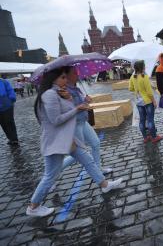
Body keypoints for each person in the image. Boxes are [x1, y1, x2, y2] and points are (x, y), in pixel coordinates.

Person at [27, 67, 122, 217]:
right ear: (54, 78)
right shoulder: (50, 94)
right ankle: (33, 207)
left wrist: (71, 101)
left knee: (88, 160)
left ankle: (105, 185)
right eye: (63, 77)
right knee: (50, 176)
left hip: (67, 138)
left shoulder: (58, 93)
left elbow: (64, 112)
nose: (66, 80)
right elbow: (55, 120)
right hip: (56, 141)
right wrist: (76, 108)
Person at [60, 67, 112, 175]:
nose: (77, 75)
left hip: (83, 121)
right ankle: (54, 172)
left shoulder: (76, 88)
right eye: (74, 73)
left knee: (96, 143)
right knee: (78, 153)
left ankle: (98, 169)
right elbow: (67, 109)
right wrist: (80, 105)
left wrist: (86, 100)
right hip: (75, 124)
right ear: (68, 76)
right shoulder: (65, 90)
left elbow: (81, 104)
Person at [129, 60, 162, 143]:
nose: (145, 67)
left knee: (142, 120)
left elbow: (130, 88)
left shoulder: (133, 77)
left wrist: (137, 90)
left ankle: (145, 137)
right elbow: (149, 92)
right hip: (147, 101)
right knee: (150, 120)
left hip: (138, 102)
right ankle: (154, 137)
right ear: (141, 67)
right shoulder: (144, 77)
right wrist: (154, 101)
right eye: (144, 65)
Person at [0, 74, 19, 146]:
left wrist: (12, 99)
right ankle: (10, 138)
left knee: (9, 122)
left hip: (7, 106)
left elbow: (10, 91)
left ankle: (14, 139)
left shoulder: (4, 82)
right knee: (3, 124)